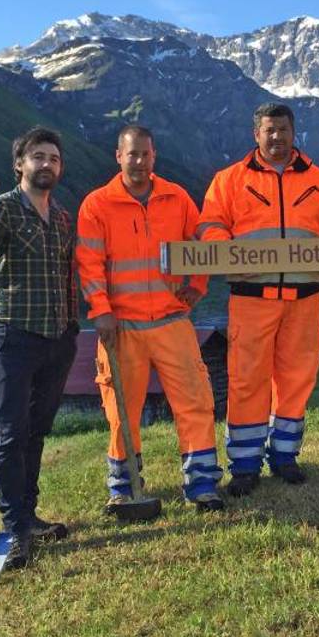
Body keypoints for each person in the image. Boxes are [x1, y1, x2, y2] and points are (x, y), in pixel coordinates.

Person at [197, 102, 319, 496]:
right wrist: (226, 250)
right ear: (256, 134)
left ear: (293, 132)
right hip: (251, 298)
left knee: (296, 380)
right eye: (269, 130)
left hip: (305, 299)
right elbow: (210, 224)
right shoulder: (228, 180)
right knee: (247, 381)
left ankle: (285, 456)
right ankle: (245, 465)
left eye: (283, 129)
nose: (277, 137)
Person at [76, 125, 224, 513]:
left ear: (154, 156)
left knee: (194, 402)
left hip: (172, 321)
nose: (139, 161)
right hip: (121, 327)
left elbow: (201, 245)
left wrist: (198, 285)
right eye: (132, 154)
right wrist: (101, 312)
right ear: (118, 156)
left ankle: (202, 484)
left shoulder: (177, 198)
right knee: (121, 412)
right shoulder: (96, 205)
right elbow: (89, 265)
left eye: (145, 154)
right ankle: (124, 488)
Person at [0, 126, 79, 570]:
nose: (47, 164)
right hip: (13, 336)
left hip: (57, 337)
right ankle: (14, 529)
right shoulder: (2, 209)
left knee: (36, 430)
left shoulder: (61, 218)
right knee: (10, 433)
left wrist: (72, 328)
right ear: (20, 165)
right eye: (38, 157)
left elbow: (67, 275)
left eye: (54, 159)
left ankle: (29, 514)